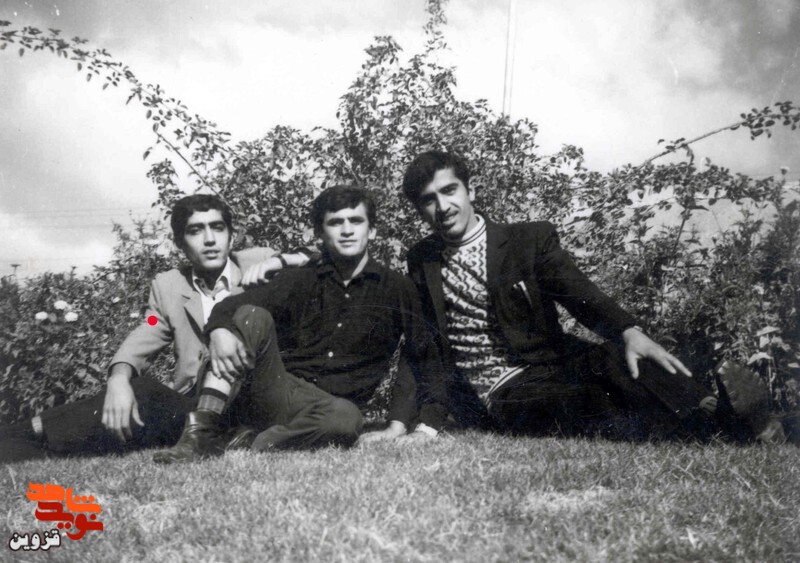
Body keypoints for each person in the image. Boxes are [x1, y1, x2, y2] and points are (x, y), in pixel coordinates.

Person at [399, 150, 785, 444]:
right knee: (588, 400)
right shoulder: (421, 261)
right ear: (420, 210)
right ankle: (728, 426)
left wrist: (629, 330)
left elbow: (577, 291)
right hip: (502, 390)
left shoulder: (526, 241)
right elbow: (422, 345)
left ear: (471, 190)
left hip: (554, 363)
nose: (443, 207)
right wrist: (417, 422)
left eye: (449, 191)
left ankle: (714, 410)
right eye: (429, 200)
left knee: (620, 357)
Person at [0, 194, 304, 462]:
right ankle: (20, 439)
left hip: (254, 401)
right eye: (196, 231)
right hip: (194, 408)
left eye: (218, 228)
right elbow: (149, 328)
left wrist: (286, 259)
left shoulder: (260, 263)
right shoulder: (169, 286)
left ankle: (22, 435)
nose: (210, 239)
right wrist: (118, 378)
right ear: (180, 243)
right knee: (138, 397)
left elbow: (320, 257)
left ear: (232, 236)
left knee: (143, 396)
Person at [153, 185, 438, 463]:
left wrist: (398, 424)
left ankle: (249, 439)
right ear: (320, 234)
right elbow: (230, 306)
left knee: (346, 419)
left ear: (372, 230)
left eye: (356, 221)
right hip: (280, 391)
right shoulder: (299, 279)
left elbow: (419, 354)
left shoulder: (397, 288)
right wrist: (218, 330)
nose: (347, 230)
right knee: (252, 314)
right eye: (335, 223)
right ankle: (202, 433)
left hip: (333, 408)